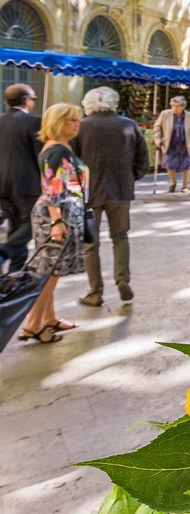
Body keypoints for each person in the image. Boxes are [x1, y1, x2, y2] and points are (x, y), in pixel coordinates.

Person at [20, 103, 87, 343]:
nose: (77, 123)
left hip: (60, 215)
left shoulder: (59, 147)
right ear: (57, 122)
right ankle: (33, 324)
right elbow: (52, 190)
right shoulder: (57, 150)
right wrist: (57, 221)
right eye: (71, 120)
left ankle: (48, 317)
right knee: (48, 273)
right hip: (56, 217)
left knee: (53, 272)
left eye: (77, 119)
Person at [76, 86, 150, 307]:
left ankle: (95, 291)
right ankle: (122, 280)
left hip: (89, 193)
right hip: (120, 191)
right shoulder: (129, 125)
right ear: (114, 103)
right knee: (120, 237)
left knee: (91, 244)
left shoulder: (81, 127)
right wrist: (131, 177)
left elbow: (72, 160)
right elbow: (142, 158)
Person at [0, 82, 41, 272]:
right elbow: (40, 156)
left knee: (15, 226)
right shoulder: (33, 122)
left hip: (2, 183)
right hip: (26, 184)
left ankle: (13, 275)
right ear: (26, 101)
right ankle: (5, 251)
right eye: (32, 99)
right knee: (31, 223)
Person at [154, 95, 190, 192]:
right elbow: (157, 127)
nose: (175, 108)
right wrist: (157, 139)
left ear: (183, 106)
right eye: (173, 105)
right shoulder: (165, 114)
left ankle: (185, 185)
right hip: (169, 142)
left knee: (187, 165)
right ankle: (173, 182)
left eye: (177, 106)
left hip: (184, 143)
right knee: (169, 163)